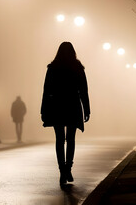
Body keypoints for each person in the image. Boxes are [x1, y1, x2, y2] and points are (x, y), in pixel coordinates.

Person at [41, 42, 90, 185]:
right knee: (71, 139)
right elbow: (83, 90)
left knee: (59, 139)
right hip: (73, 105)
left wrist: (43, 109)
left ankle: (62, 169)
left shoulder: (53, 68)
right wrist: (86, 109)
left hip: (57, 105)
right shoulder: (78, 67)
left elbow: (46, 90)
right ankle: (68, 167)